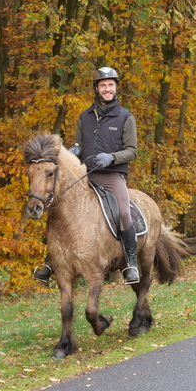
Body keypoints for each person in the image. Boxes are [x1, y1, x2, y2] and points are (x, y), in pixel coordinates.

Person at [33, 67, 140, 285]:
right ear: (97, 88)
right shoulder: (85, 117)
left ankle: (131, 263)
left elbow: (132, 150)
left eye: (111, 85)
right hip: (85, 176)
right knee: (59, 208)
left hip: (112, 177)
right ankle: (51, 261)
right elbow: (80, 145)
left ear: (116, 87)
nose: (107, 89)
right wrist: (74, 151)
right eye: (103, 85)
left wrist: (111, 158)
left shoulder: (125, 117)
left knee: (123, 212)